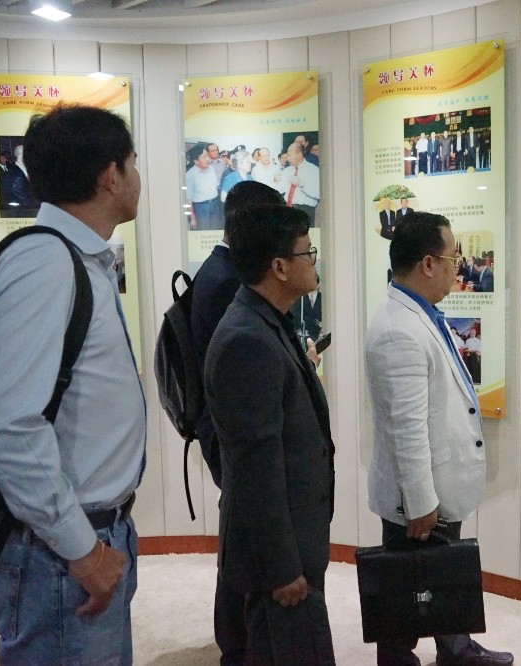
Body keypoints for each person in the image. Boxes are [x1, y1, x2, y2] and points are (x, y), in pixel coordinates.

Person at [0, 105, 146, 665]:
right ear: (110, 175)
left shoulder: (76, 258)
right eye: (133, 162)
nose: (137, 176)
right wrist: (82, 550)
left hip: (85, 539)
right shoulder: (46, 262)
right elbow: (6, 423)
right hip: (59, 553)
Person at [364, 211, 513, 666]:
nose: (458, 267)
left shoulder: (420, 313)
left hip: (436, 484)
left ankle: (456, 650)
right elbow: (405, 429)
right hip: (418, 497)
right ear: (428, 264)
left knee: (442, 578)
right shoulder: (398, 330)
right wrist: (421, 502)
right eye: (453, 258)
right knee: (406, 593)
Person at [205, 204, 335, 664]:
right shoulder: (247, 339)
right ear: (279, 267)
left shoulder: (265, 320)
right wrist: (282, 569)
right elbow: (255, 470)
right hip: (277, 564)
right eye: (307, 252)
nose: (313, 261)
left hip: (294, 545)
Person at [190, 181, 288, 666]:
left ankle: (237, 640)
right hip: (230, 433)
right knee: (245, 535)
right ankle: (238, 643)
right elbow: (239, 373)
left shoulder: (217, 270)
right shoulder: (229, 281)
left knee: (240, 531)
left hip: (221, 428)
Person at [280, 141, 320, 226]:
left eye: (290, 155)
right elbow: (281, 190)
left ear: (300, 154)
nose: (288, 158)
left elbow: (318, 194)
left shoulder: (313, 170)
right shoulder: (286, 171)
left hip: (305, 211)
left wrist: (302, 184)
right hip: (287, 210)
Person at [185, 142, 220, 230]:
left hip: (215, 204)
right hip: (201, 208)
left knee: (215, 231)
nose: (208, 159)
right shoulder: (190, 175)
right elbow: (188, 200)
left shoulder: (211, 169)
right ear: (196, 161)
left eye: (207, 156)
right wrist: (192, 219)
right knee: (204, 231)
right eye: (204, 157)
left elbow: (216, 187)